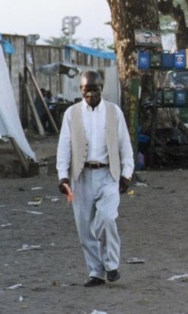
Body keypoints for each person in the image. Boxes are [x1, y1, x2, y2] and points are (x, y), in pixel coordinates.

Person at [56, 71, 135, 287]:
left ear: (102, 88)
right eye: (86, 89)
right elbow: (64, 147)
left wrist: (127, 174)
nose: (91, 93)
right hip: (80, 177)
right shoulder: (71, 114)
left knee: (107, 219)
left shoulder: (113, 112)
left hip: (108, 175)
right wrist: (63, 176)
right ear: (81, 90)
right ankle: (95, 272)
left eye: (95, 89)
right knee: (84, 229)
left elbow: (124, 145)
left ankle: (111, 265)